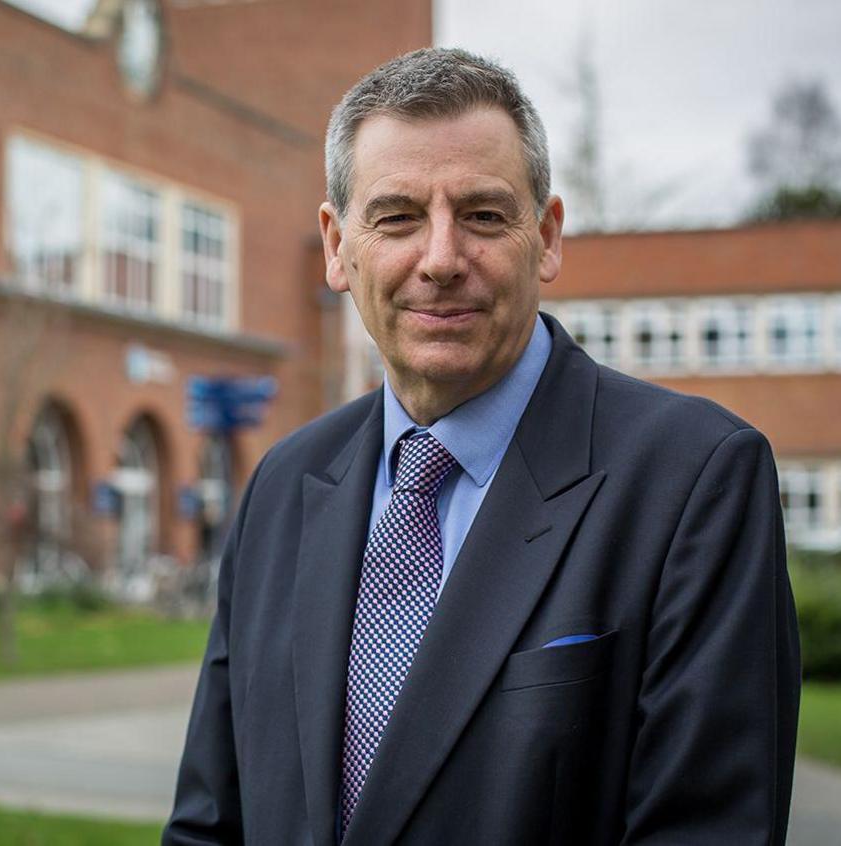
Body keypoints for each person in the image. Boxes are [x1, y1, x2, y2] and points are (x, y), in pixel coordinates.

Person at [164, 47, 800, 845]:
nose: (439, 259)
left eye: (483, 215)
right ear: (337, 247)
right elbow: (210, 824)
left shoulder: (693, 481)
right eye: (396, 216)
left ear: (548, 237)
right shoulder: (284, 485)